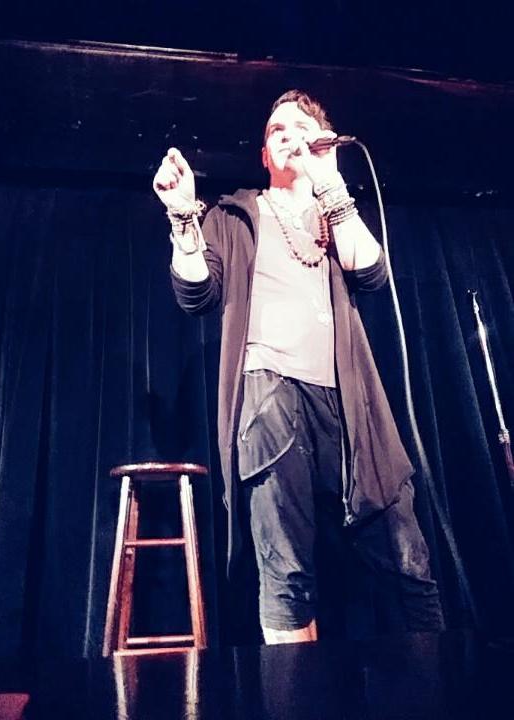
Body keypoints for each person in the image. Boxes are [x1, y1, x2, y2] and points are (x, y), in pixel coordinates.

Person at [153, 89, 444, 644]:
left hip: (351, 407)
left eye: (300, 128)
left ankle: (433, 683)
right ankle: (293, 688)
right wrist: (182, 217)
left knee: (409, 567)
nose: (288, 136)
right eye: (276, 131)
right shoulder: (235, 216)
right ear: (264, 155)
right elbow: (196, 295)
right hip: (270, 398)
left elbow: (372, 272)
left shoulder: (336, 216)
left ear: (323, 142)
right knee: (286, 574)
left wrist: (329, 183)